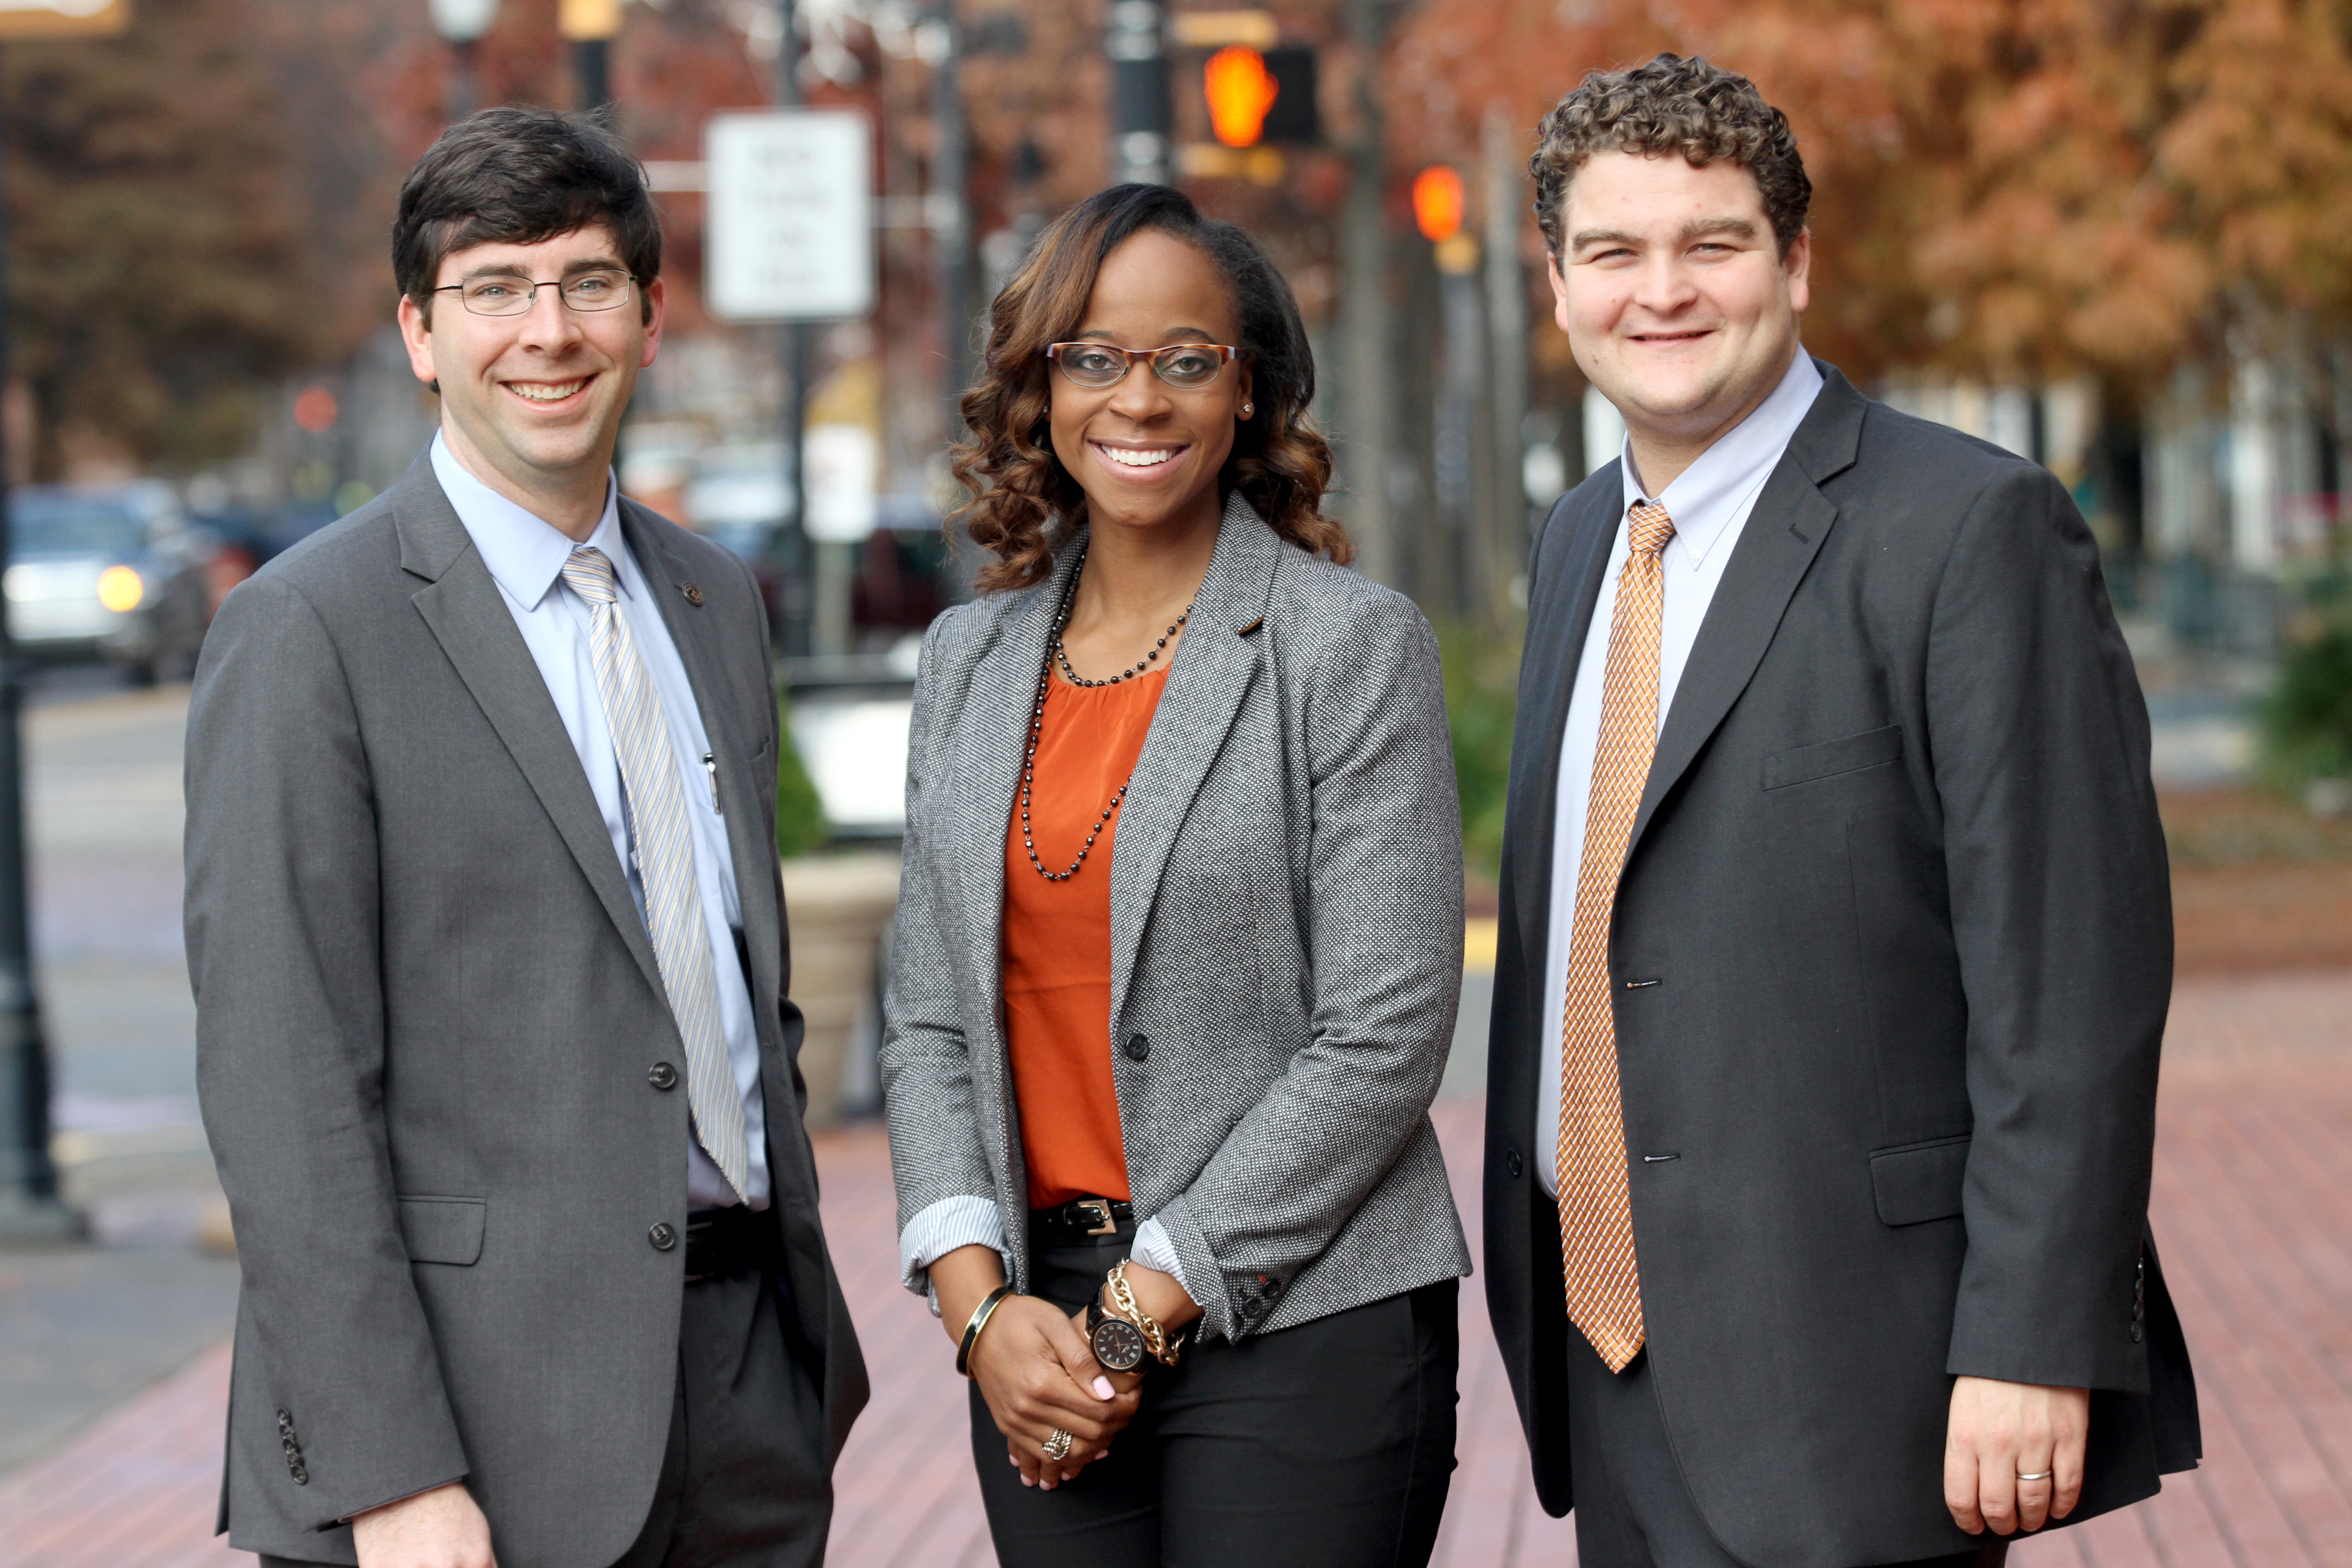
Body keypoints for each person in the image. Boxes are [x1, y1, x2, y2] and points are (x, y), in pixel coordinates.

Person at [1480, 54, 2200, 1568]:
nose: (1659, 291)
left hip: (1862, 1369)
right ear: (1558, 286)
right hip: (1608, 1353)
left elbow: (2066, 982)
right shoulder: (1574, 547)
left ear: (1795, 263)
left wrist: (2030, 1339)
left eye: (1713, 243)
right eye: (1612, 252)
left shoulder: (1967, 529)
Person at [187, 109, 866, 1568]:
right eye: (495, 288)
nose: (546, 332)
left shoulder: (711, 600)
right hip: (473, 1435)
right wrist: (390, 1475)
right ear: (422, 335)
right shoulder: (308, 632)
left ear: (650, 316)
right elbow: (283, 1088)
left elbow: (737, 986)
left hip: (748, 1386)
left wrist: (801, 1356)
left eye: (587, 284)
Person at [880, 182, 1469, 1567]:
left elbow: (1384, 1032)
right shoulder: (968, 665)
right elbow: (926, 1019)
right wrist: (977, 1312)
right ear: (1040, 387)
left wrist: (1148, 1302)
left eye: (1182, 360)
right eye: (1092, 357)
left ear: (1244, 388)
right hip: (1037, 1322)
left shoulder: (1348, 647)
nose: (1135, 399)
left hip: (1302, 1319)